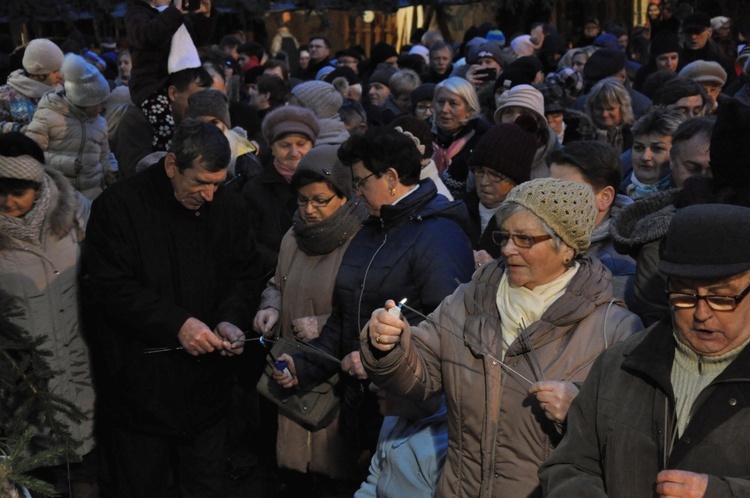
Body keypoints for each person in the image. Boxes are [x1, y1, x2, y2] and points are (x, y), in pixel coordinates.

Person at [362, 177, 643, 497]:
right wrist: (389, 344)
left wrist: (579, 408)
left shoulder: (614, 328)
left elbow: (630, 439)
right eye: (505, 236)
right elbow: (418, 377)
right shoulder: (467, 300)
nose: (508, 249)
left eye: (524, 239)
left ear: (566, 247)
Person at [272, 127, 474, 473]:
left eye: (361, 182)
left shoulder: (439, 235)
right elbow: (346, 314)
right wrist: (304, 366)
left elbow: (449, 329)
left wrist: (379, 361)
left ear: (392, 178)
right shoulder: (372, 229)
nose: (355, 192)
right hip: (360, 404)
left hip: (408, 411)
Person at [83, 119, 262, 497]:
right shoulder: (119, 207)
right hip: (141, 392)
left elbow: (244, 275)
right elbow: (108, 287)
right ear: (171, 166)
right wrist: (177, 324)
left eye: (217, 183)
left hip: (208, 393)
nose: (209, 195)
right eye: (200, 183)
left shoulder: (229, 208)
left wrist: (231, 320)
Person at [540, 203, 750, 497]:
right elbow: (571, 466)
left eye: (722, 297)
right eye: (685, 294)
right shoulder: (621, 364)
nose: (702, 313)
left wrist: (717, 493)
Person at [253, 144, 369, 490]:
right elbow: (277, 282)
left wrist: (321, 322)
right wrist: (270, 306)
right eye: (303, 200)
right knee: (295, 472)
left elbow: (365, 304)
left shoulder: (361, 240)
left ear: (345, 196)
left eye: (320, 200)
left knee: (331, 471)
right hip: (291, 365)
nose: (309, 209)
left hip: (333, 372)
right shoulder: (293, 236)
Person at [0, 132, 96, 497]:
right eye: (0, 190)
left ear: (38, 184)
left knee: (84, 468)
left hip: (79, 366)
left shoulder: (74, 212)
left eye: (18, 191)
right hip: (21, 382)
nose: (8, 202)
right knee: (36, 476)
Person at [548, 140, 636, 304]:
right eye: (549, 189)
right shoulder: (536, 234)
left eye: (565, 191)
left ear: (605, 197)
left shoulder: (621, 265)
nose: (552, 200)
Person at [26, 53, 118, 200]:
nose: (103, 106)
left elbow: (105, 154)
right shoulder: (47, 116)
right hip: (61, 197)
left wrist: (111, 170)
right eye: (100, 102)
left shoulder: (99, 122)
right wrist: (65, 164)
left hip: (94, 196)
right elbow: (31, 154)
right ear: (84, 101)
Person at [241, 105, 319, 277]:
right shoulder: (255, 190)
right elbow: (249, 242)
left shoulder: (326, 186)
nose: (294, 152)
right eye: (285, 145)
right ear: (272, 148)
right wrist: (285, 265)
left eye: (301, 144)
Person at [465, 119, 538, 267]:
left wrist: (496, 269)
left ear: (516, 181)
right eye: (479, 172)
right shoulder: (458, 211)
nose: (484, 181)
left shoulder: (530, 226)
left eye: (495, 175)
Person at [354, 386, 448, 498]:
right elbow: (375, 479)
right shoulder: (392, 418)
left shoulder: (443, 446)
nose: (372, 387)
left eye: (385, 379)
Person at [432, 76, 492, 200]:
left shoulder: (483, 140)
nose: (444, 110)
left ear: (469, 109)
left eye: (453, 103)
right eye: (440, 102)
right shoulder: (421, 135)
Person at [494, 84, 558, 178]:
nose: (515, 119)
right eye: (508, 112)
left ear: (539, 122)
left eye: (525, 113)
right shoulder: (489, 152)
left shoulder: (558, 159)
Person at [0, 38, 64, 133]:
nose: (60, 75)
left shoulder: (62, 91)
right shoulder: (6, 94)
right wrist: (19, 129)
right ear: (37, 72)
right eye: (54, 71)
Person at [622, 106, 686, 199]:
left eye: (657, 149)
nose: (645, 157)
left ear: (677, 153)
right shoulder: (614, 185)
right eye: (639, 148)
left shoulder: (685, 195)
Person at [585, 77, 635, 153]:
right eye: (599, 108)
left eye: (610, 109)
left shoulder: (635, 134)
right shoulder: (581, 133)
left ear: (623, 108)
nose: (604, 114)